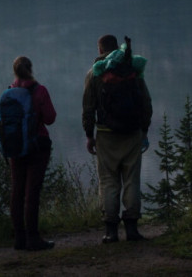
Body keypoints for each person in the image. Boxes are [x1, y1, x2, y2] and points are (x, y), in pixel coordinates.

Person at [82, 34, 153, 243]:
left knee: (108, 181)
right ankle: (132, 229)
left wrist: (89, 135)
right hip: (132, 133)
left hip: (105, 135)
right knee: (131, 179)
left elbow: (88, 109)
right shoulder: (133, 70)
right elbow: (146, 104)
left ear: (100, 50)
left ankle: (111, 231)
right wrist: (144, 131)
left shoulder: (94, 74)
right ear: (116, 48)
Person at [7, 55, 58, 251]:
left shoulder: (9, 91)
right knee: (32, 193)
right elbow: (50, 118)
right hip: (37, 147)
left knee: (17, 192)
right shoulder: (39, 90)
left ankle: (19, 239)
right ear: (31, 69)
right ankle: (33, 238)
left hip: (16, 148)